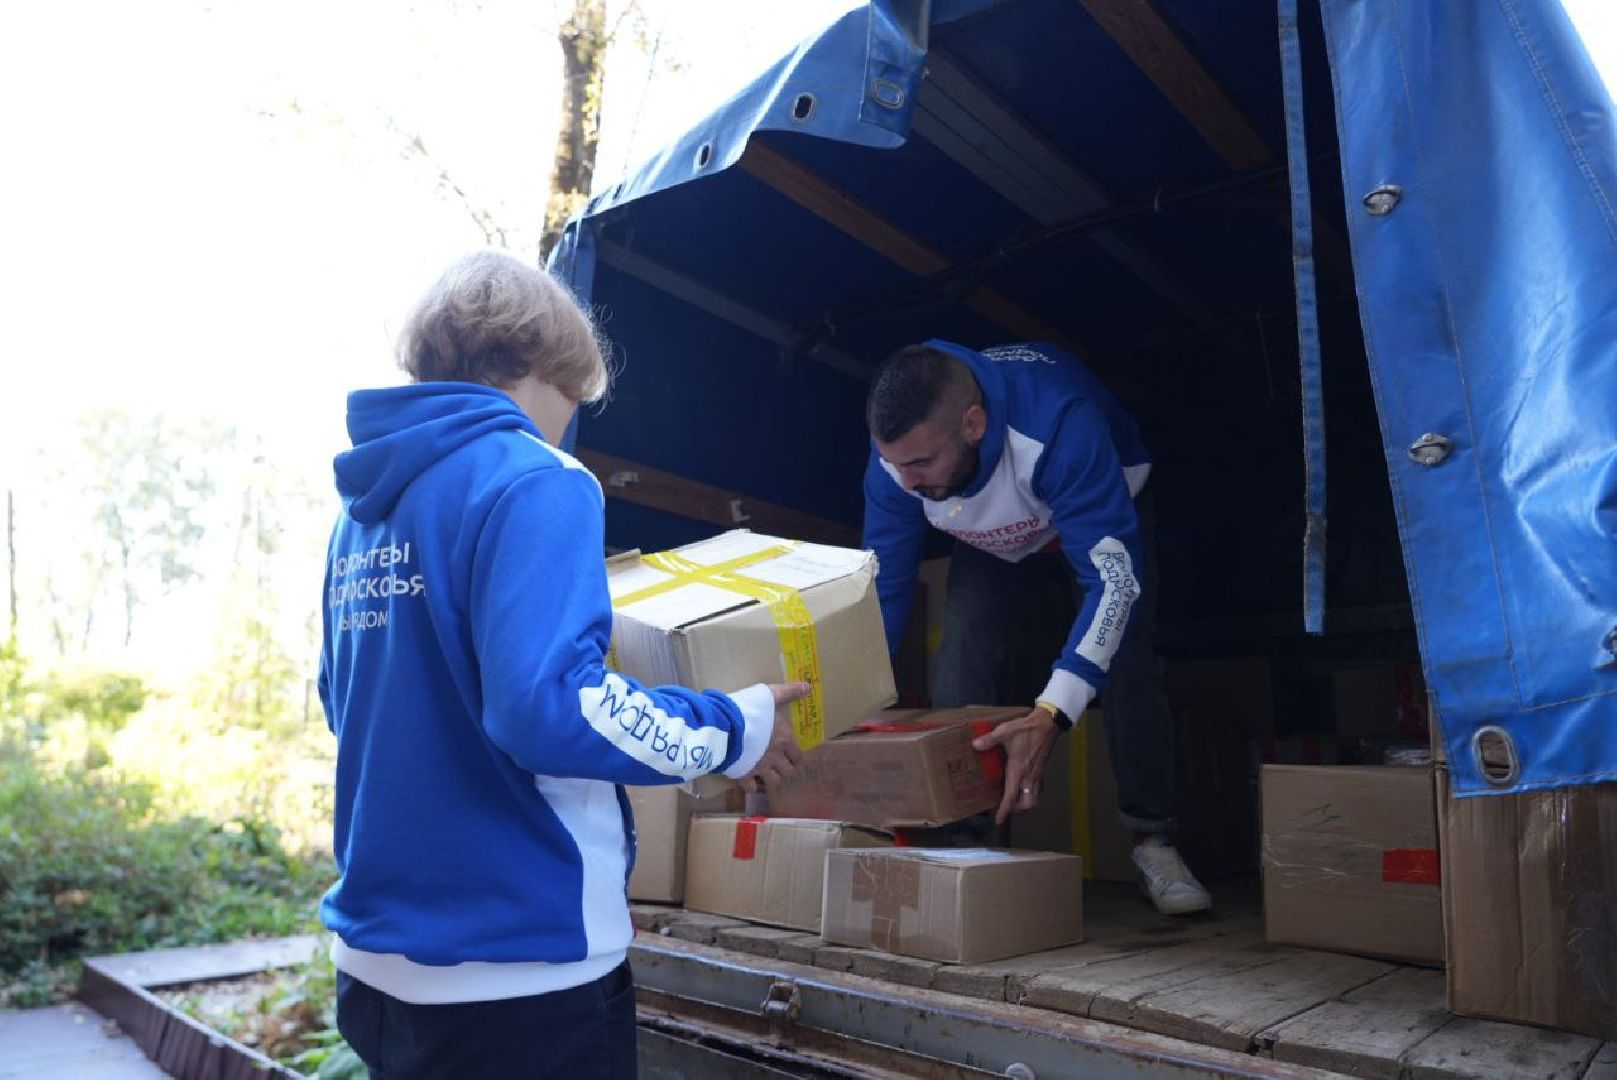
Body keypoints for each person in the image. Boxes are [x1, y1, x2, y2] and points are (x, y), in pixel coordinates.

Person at [317, 251, 806, 1078]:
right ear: (549, 371)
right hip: (517, 973)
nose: (568, 424)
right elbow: (548, 709)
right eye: (574, 401)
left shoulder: (364, 512)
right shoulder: (537, 478)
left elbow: (345, 702)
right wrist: (735, 726)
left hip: (377, 965)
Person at [861, 339, 1210, 916]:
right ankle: (966, 838)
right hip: (992, 530)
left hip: (1095, 506)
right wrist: (842, 706)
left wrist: (1052, 712)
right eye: (895, 464)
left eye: (920, 463)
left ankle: (1153, 838)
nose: (905, 481)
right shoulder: (899, 466)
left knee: (1125, 659)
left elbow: (1112, 588)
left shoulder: (1062, 424)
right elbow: (883, 593)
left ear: (973, 424)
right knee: (963, 650)